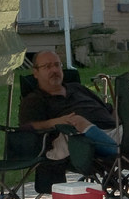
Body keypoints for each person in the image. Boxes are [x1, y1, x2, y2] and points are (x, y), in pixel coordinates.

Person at [19, 51, 120, 190]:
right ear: (35, 72)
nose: (54, 70)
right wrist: (57, 121)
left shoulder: (77, 88)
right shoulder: (34, 99)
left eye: (57, 65)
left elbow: (109, 109)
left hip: (115, 131)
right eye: (47, 67)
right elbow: (27, 127)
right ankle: (120, 151)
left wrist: (127, 116)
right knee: (77, 120)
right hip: (82, 141)